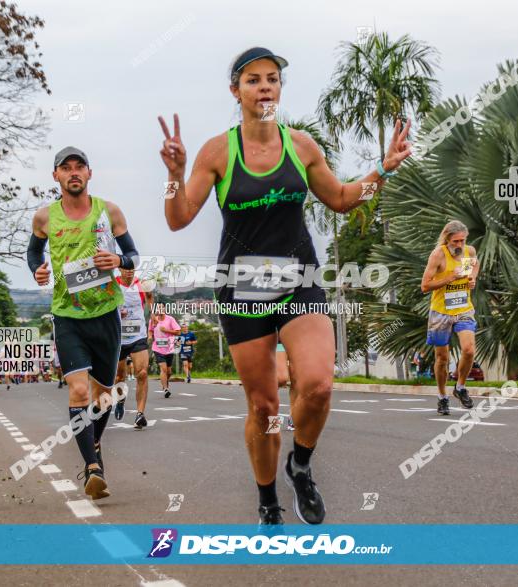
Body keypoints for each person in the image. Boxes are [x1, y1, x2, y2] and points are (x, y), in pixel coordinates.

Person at [158, 46, 411, 524]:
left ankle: (301, 465)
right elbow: (178, 218)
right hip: (242, 291)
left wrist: (383, 171)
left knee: (316, 385)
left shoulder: (301, 146)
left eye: (272, 79)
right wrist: (173, 176)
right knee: (263, 405)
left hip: (301, 281)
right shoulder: (217, 151)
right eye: (253, 80)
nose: (265, 87)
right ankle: (267, 500)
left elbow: (340, 198)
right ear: (236, 91)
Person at [27, 146, 139, 499]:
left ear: (89, 174)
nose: (73, 172)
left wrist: (117, 260)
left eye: (80, 167)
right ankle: (92, 468)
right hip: (67, 315)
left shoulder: (110, 212)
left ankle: (95, 445)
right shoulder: (45, 217)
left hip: (106, 314)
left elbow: (133, 257)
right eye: (66, 168)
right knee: (78, 390)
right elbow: (33, 253)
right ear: (56, 176)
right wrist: (38, 269)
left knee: (104, 396)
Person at [420, 220, 479, 416]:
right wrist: (450, 278)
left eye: (462, 240)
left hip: (463, 308)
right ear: (447, 239)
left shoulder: (469, 251)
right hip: (440, 312)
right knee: (442, 358)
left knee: (469, 350)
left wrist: (473, 279)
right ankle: (442, 396)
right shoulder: (438, 255)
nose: (460, 245)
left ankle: (460, 387)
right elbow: (425, 286)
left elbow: (475, 265)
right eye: (456, 241)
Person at [115, 268, 153, 430]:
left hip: (138, 335)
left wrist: (155, 314)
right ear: (119, 268)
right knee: (119, 377)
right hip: (118, 337)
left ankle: (140, 414)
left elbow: (151, 298)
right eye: (125, 268)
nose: (129, 272)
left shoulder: (142, 285)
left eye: (132, 269)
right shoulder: (113, 284)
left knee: (142, 373)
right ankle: (120, 401)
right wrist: (116, 313)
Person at [149, 303, 180, 398]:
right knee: (163, 369)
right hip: (157, 348)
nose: (160, 309)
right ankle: (166, 389)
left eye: (162, 307)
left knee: (169, 372)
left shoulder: (170, 319)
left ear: (165, 308)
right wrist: (150, 336)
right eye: (158, 308)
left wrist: (166, 330)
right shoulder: (153, 320)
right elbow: (150, 330)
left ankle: (165, 382)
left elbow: (178, 332)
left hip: (170, 347)